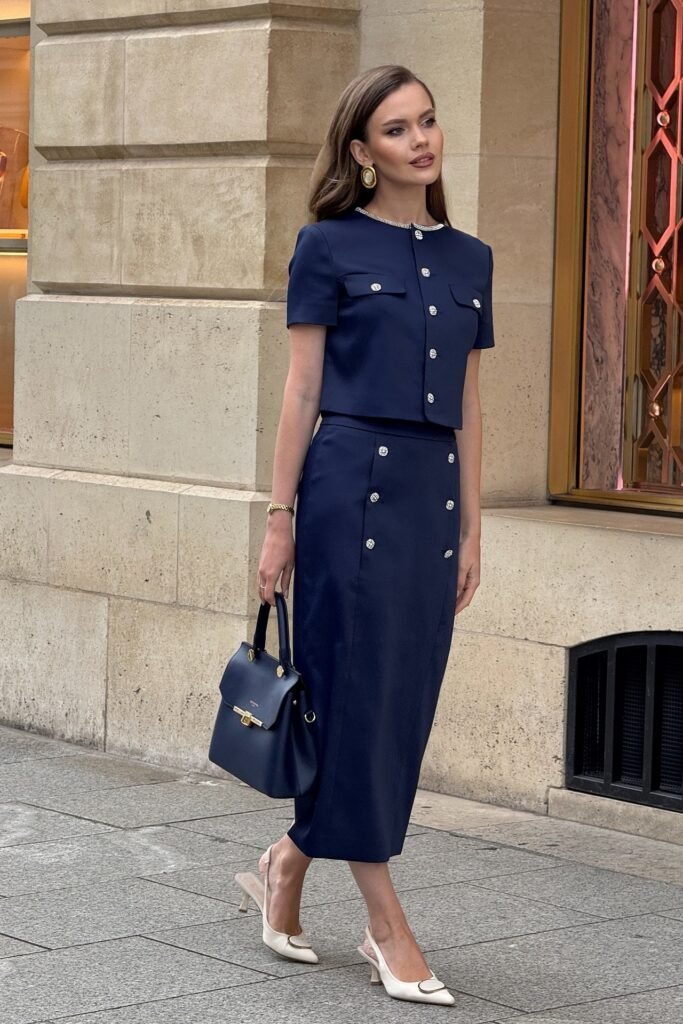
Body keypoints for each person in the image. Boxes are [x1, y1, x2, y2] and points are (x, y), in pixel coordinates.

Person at [236, 63, 495, 1006]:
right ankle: (388, 927)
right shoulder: (327, 246)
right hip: (347, 493)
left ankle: (287, 860)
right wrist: (279, 521)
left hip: (429, 500)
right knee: (349, 703)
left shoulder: (471, 259)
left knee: (399, 708)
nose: (420, 140)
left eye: (426, 121)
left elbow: (467, 401)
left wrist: (471, 525)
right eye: (396, 129)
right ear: (361, 151)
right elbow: (300, 392)